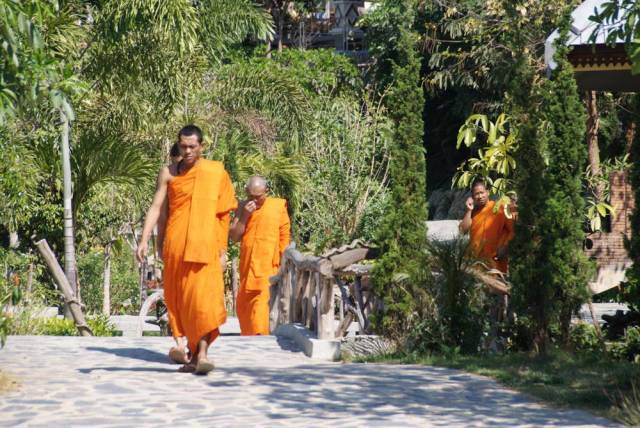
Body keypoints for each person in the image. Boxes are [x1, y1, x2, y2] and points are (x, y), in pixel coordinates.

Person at [137, 125, 237, 374]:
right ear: (178, 145)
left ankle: (202, 354)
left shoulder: (215, 172)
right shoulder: (168, 174)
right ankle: (191, 355)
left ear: (202, 146)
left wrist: (223, 251)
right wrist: (144, 239)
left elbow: (223, 215)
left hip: (206, 248)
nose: (188, 151)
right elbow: (156, 208)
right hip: (177, 248)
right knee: (181, 303)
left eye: (193, 146)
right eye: (184, 146)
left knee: (202, 303)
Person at [229, 176, 290, 335]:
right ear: (246, 193)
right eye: (251, 197)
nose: (254, 201)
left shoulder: (277, 207)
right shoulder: (242, 207)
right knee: (244, 307)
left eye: (258, 197)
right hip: (247, 268)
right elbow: (234, 237)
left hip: (268, 270)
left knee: (261, 309)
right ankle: (249, 340)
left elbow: (284, 238)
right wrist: (244, 216)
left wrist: (284, 266)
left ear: (267, 192)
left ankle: (259, 339)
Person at [157, 142, 189, 365]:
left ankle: (194, 342)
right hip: (175, 244)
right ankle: (179, 342)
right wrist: (158, 244)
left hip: (198, 245)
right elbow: (161, 214)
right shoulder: (169, 178)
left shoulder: (200, 177)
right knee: (174, 295)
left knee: (193, 295)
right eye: (177, 163)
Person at [459, 178, 514, 273]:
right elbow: (462, 231)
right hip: (475, 262)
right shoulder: (473, 212)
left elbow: (513, 230)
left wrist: (505, 246)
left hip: (495, 261)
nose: (480, 196)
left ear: (488, 192)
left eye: (482, 192)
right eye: (476, 194)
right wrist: (469, 210)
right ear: (472, 197)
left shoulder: (500, 208)